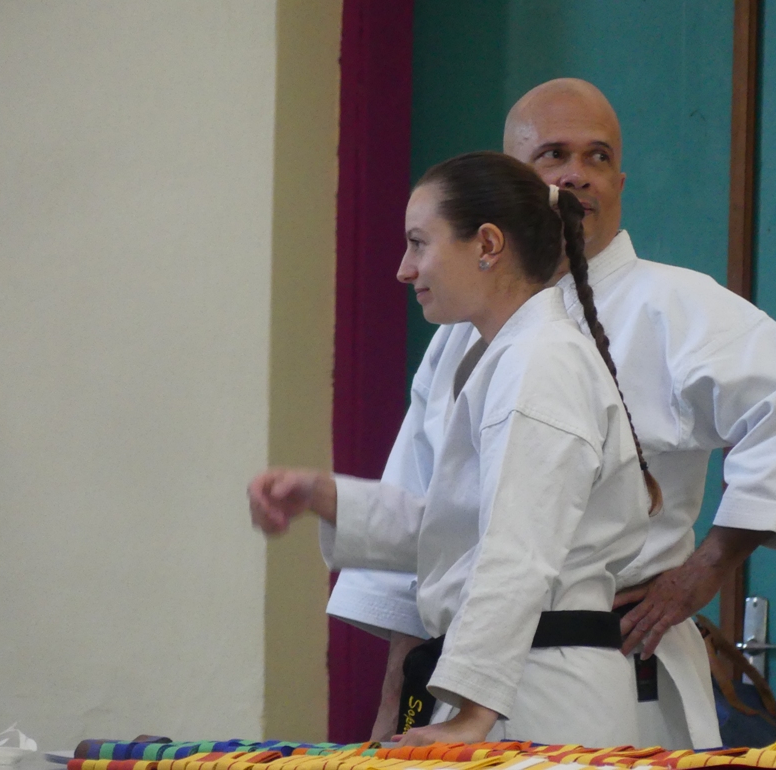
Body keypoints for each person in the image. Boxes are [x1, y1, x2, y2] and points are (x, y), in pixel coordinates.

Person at [326, 79, 776, 749]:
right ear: (511, 183)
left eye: (597, 156)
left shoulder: (674, 306)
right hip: (462, 675)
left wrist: (706, 568)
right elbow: (429, 521)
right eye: (553, 154)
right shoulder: (459, 335)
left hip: (607, 663)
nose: (577, 174)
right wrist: (396, 699)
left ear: (619, 181)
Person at [251, 151, 662, 747]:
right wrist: (327, 497)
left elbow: (517, 552)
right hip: (511, 687)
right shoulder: (513, 355)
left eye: (419, 244)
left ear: (487, 244)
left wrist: (473, 714)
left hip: (536, 698)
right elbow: (463, 530)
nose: (404, 269)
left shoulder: (542, 361)